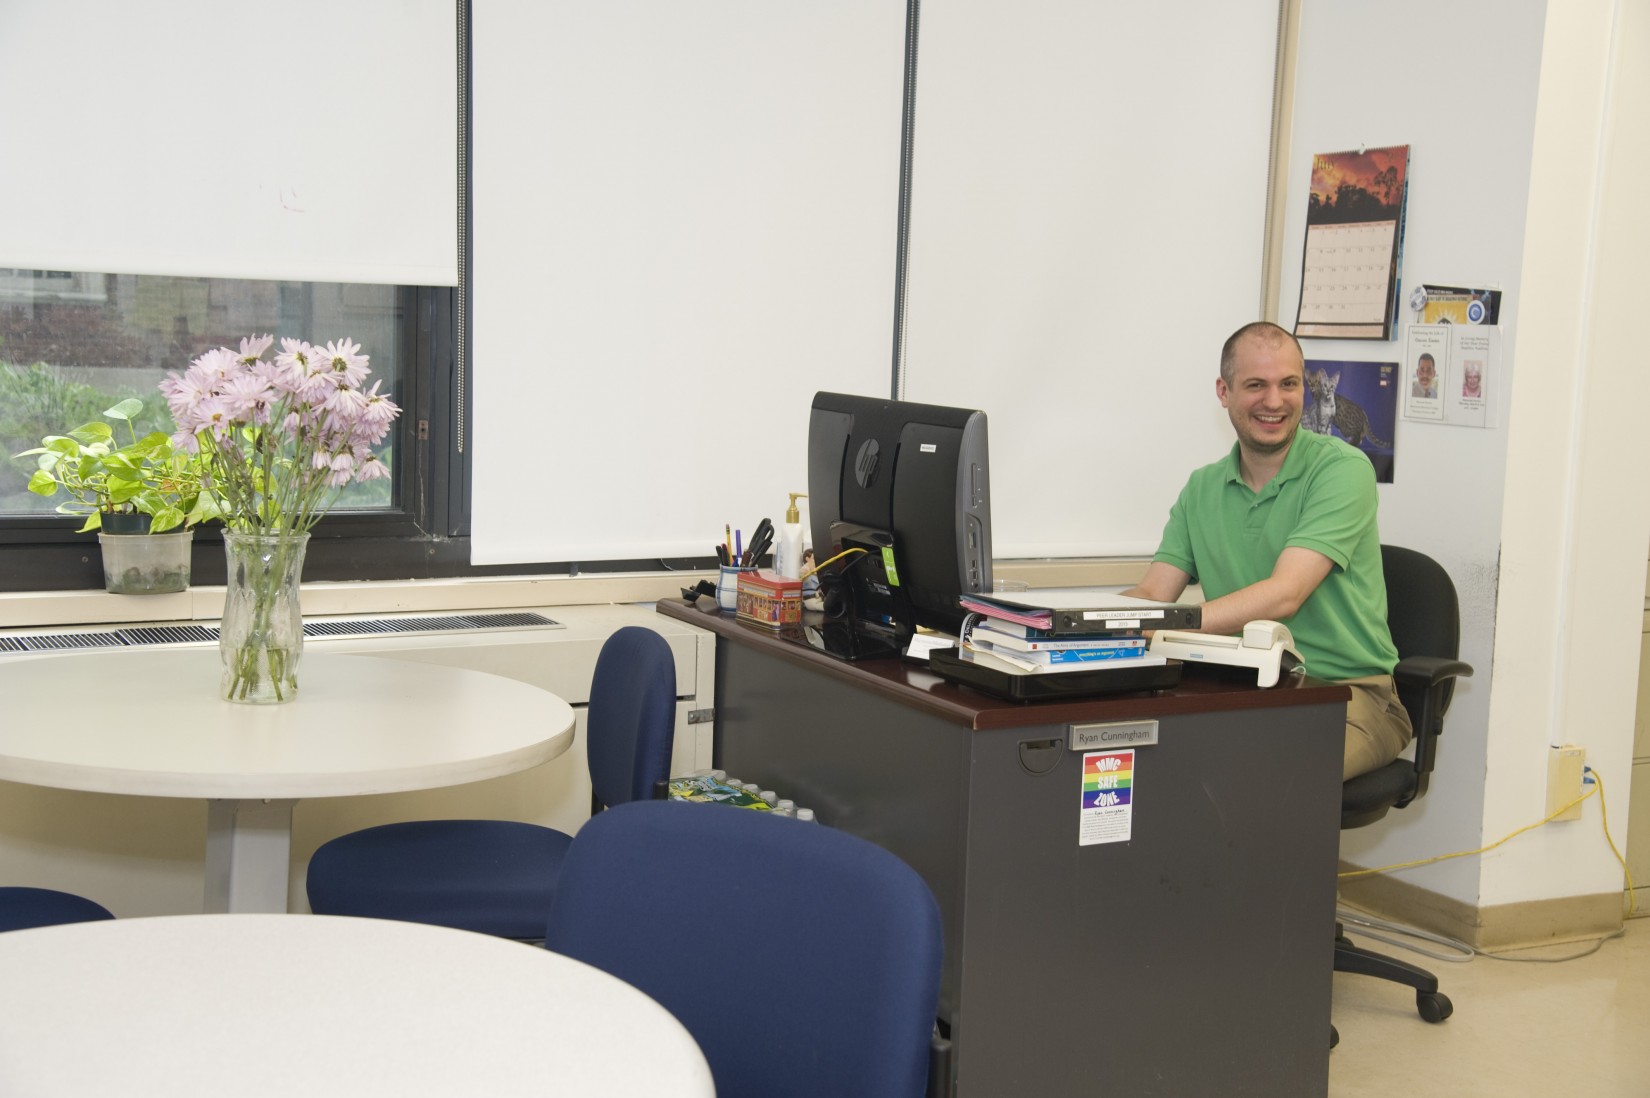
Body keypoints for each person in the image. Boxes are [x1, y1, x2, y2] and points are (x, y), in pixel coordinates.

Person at [1123, 321, 1412, 780]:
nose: (1274, 402)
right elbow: (1153, 592)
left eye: (1289, 384)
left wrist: (1165, 627)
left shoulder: (1342, 470)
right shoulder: (1202, 487)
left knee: (1262, 780)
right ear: (1224, 391)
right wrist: (1066, 625)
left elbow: (1284, 595)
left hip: (1347, 696)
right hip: (1239, 688)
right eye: (1256, 385)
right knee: (1145, 762)